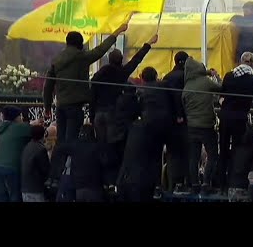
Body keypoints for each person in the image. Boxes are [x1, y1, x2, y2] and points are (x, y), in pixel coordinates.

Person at [43, 18, 131, 190]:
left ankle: (53, 177)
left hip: (60, 105)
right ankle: (70, 174)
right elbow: (100, 50)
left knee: (61, 141)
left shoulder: (57, 60)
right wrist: (116, 32)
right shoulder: (81, 57)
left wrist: (47, 106)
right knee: (72, 141)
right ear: (80, 44)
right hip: (75, 106)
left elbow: (48, 85)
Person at [117, 67, 175, 202]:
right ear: (156, 76)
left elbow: (139, 109)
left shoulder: (141, 92)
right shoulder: (164, 86)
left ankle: (156, 185)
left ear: (142, 78)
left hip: (147, 128)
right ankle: (165, 185)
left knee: (151, 157)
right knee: (163, 156)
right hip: (165, 125)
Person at [90, 34, 157, 144]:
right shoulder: (122, 73)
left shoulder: (98, 75)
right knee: (111, 144)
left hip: (98, 113)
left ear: (109, 59)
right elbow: (136, 59)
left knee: (100, 144)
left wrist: (92, 117)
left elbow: (92, 95)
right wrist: (149, 43)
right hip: (112, 113)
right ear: (121, 60)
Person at [218, 51, 253, 193]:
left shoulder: (229, 76)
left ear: (240, 61)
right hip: (240, 119)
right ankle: (235, 181)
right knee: (238, 151)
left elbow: (222, 93)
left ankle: (220, 184)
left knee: (223, 149)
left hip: (225, 117)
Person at [182, 57, 222, 194]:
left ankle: (194, 185)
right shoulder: (206, 82)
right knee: (212, 155)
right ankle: (206, 184)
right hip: (206, 126)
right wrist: (216, 76)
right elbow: (221, 89)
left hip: (191, 126)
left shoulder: (187, 85)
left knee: (193, 157)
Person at [0, 106, 33, 202]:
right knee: (14, 195)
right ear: (15, 117)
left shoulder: (1, 127)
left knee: (0, 196)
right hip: (12, 167)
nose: (21, 118)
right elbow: (34, 130)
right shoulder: (20, 128)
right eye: (19, 116)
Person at [162, 51, 190, 194]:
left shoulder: (167, 77)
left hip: (168, 120)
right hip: (182, 119)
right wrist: (180, 114)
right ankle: (182, 183)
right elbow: (179, 96)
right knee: (185, 152)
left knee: (172, 153)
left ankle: (171, 184)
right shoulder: (185, 77)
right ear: (184, 62)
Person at [21, 124, 50, 202]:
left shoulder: (27, 146)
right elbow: (45, 169)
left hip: (25, 187)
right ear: (43, 135)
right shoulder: (41, 150)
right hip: (35, 188)